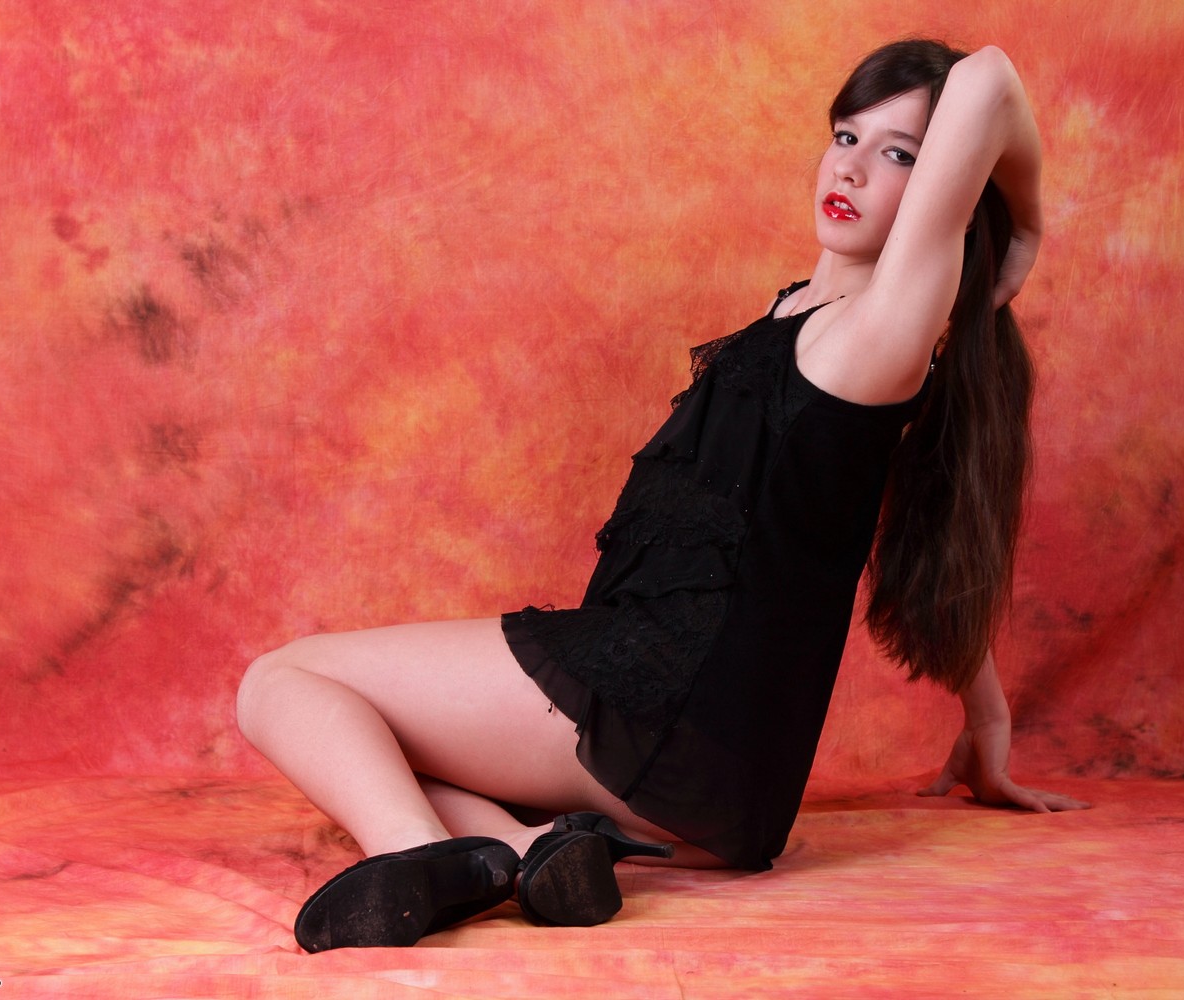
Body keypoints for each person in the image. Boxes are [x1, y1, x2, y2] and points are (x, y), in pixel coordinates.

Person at [235, 38, 1089, 952]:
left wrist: (1025, 230)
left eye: (900, 155)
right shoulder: (809, 327)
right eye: (845, 136)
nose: (849, 167)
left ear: (950, 193)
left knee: (283, 682)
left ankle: (414, 856)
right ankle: (529, 852)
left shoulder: (877, 334)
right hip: (727, 789)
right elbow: (906, 527)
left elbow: (989, 77)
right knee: (378, 753)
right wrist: (987, 713)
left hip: (654, 706)